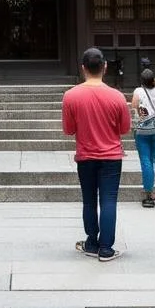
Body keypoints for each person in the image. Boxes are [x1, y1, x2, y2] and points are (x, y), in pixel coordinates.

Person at [61, 47, 131, 262]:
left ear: (83, 68)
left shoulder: (71, 96)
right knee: (109, 200)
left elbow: (68, 129)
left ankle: (91, 242)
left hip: (86, 156)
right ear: (105, 67)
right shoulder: (117, 97)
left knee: (89, 200)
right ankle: (106, 249)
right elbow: (124, 129)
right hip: (111, 157)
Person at [132, 68, 155, 208]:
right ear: (154, 79)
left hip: (143, 129)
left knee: (146, 160)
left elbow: (134, 106)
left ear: (142, 82)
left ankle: (148, 195)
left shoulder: (138, 91)